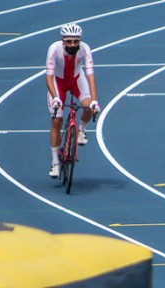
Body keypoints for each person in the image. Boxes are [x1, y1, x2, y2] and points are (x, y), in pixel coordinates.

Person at [46, 22, 100, 178]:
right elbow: (49, 77)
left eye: (76, 41)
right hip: (58, 83)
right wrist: (55, 98)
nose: (72, 44)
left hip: (76, 79)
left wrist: (94, 100)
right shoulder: (54, 48)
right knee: (57, 120)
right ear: (63, 40)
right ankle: (55, 163)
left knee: (88, 107)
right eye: (69, 41)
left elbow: (90, 75)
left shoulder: (85, 48)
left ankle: (81, 129)